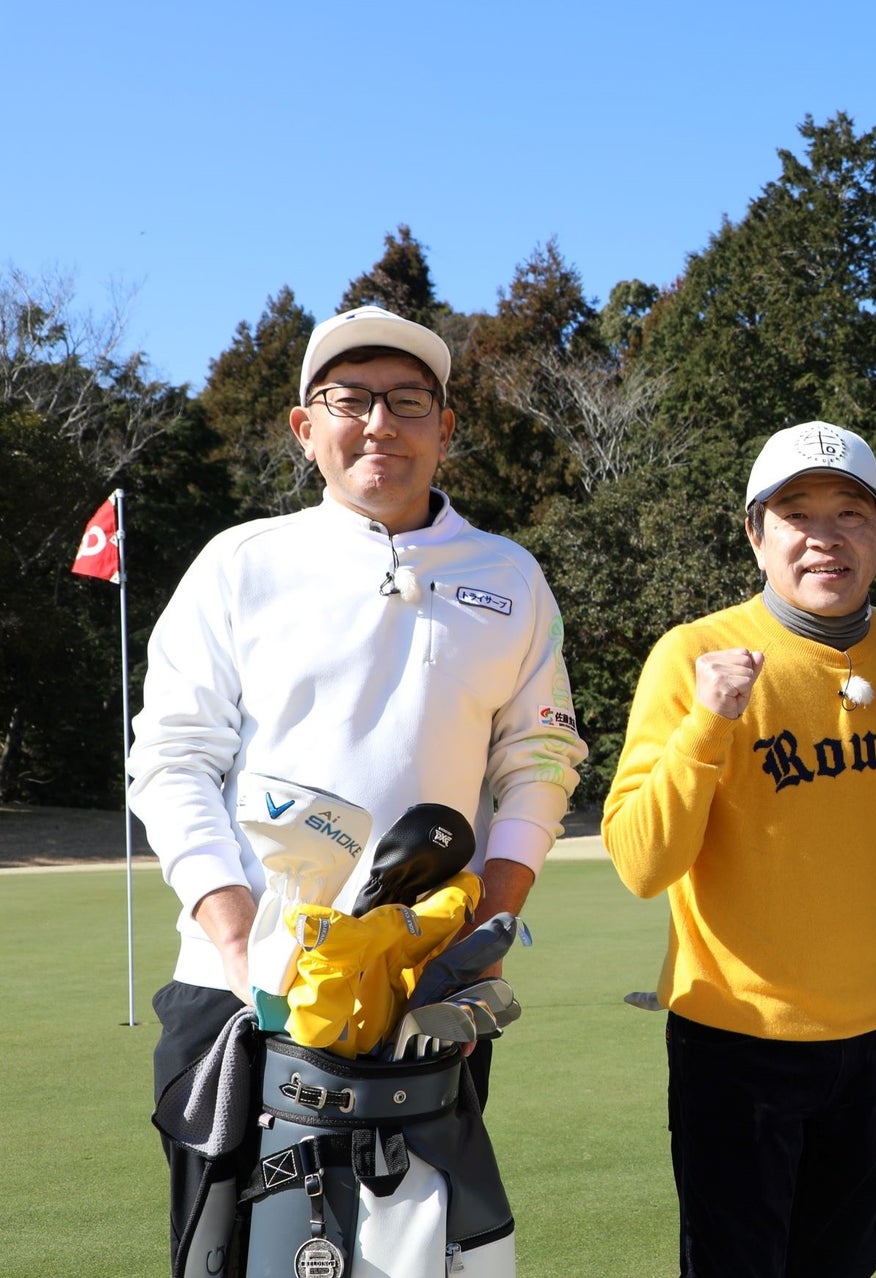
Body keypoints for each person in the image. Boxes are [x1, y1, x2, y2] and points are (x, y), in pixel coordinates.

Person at [129, 305, 588, 1271]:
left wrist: (487, 926)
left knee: (416, 1255)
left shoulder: (508, 575)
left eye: (409, 401)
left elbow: (538, 761)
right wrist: (242, 935)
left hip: (426, 989)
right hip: (235, 1002)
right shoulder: (241, 564)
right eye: (351, 399)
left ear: (444, 428)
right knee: (228, 1260)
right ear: (306, 427)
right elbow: (172, 757)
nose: (380, 422)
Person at [603, 420, 876, 1277]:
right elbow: (642, 862)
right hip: (737, 1042)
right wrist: (707, 723)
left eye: (850, 514)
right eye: (795, 515)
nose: (824, 537)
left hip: (872, 1039)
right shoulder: (692, 656)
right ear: (756, 536)